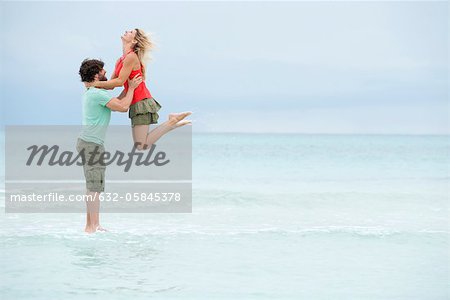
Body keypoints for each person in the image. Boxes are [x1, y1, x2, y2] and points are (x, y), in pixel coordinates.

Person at [93, 28, 192, 150]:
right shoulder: (120, 60)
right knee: (141, 145)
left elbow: (119, 82)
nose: (126, 31)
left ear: (134, 40)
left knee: (141, 146)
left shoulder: (131, 57)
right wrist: (95, 86)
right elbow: (112, 85)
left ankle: (172, 121)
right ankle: (172, 123)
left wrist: (92, 84)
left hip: (141, 102)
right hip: (135, 103)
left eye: (131, 32)